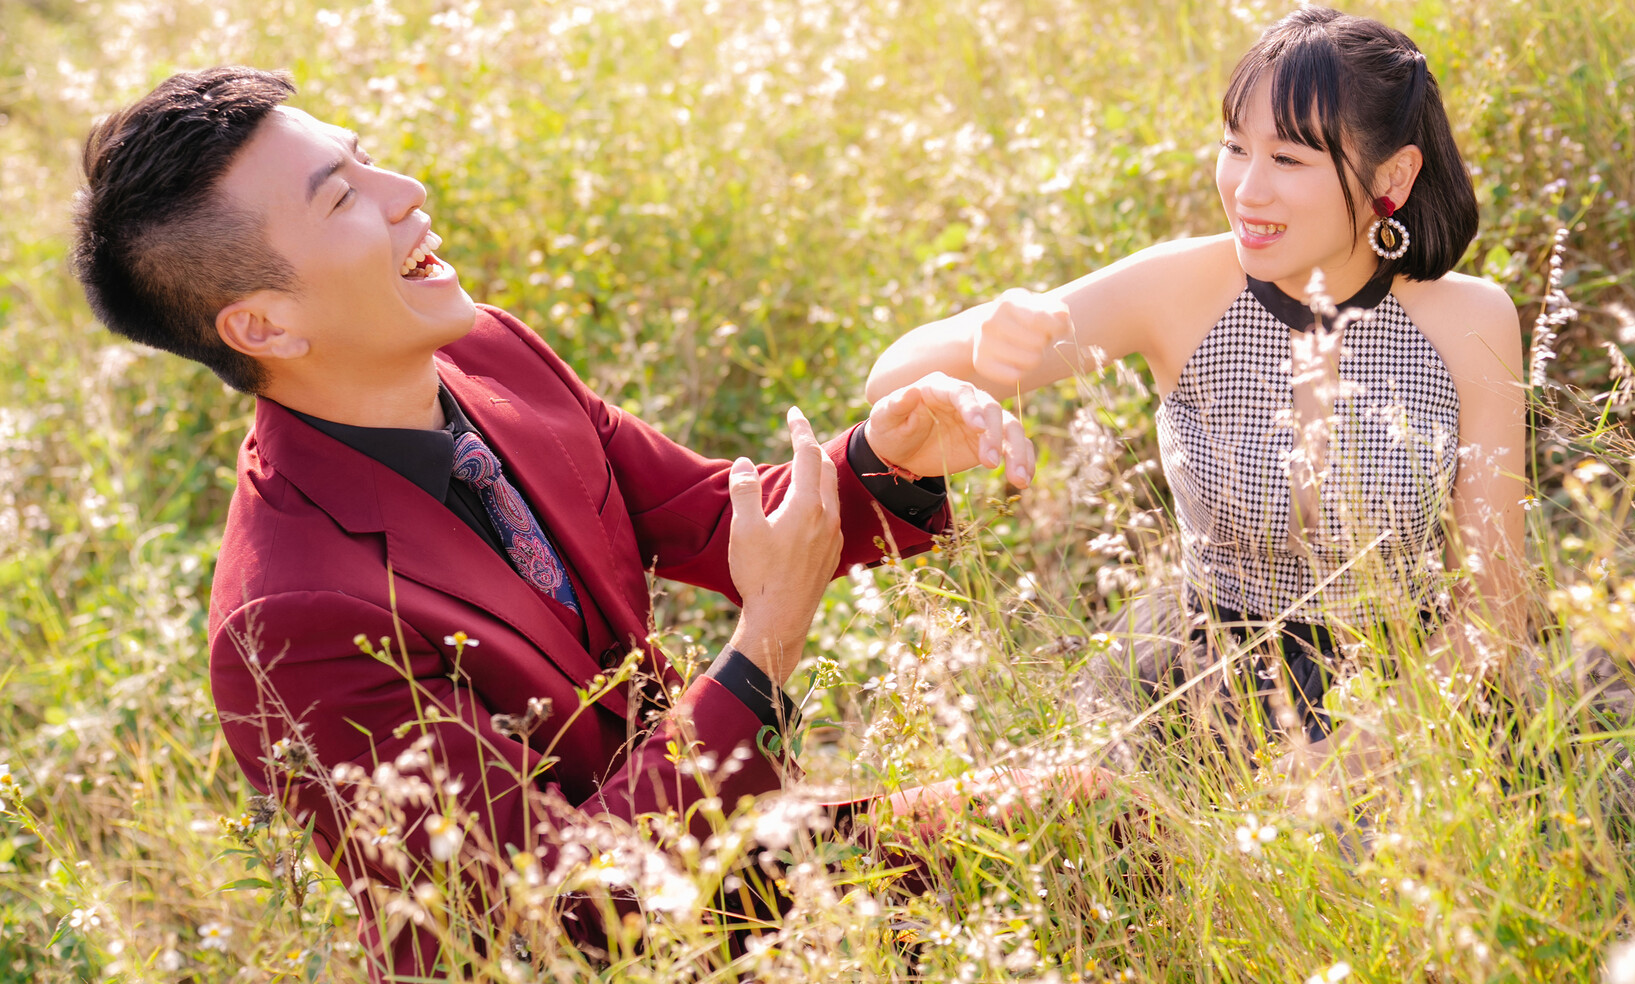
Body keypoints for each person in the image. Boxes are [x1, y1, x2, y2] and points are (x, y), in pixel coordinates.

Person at [68, 67, 1061, 977]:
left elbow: (704, 515)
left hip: (732, 862)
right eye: (342, 197)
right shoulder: (290, 620)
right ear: (265, 326)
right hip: (615, 948)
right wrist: (764, 647)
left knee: (1082, 822)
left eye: (366, 158)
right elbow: (552, 913)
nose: (406, 190)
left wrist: (886, 457)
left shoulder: (485, 351)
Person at [866, 6, 1532, 773]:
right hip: (1199, 678)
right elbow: (892, 375)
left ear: (1393, 176)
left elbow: (1495, 608)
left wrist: (1356, 756)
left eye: (1288, 159)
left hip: (1406, 694)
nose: (1247, 189)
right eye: (1235, 147)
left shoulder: (1471, 320)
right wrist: (985, 335)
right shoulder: (1181, 288)